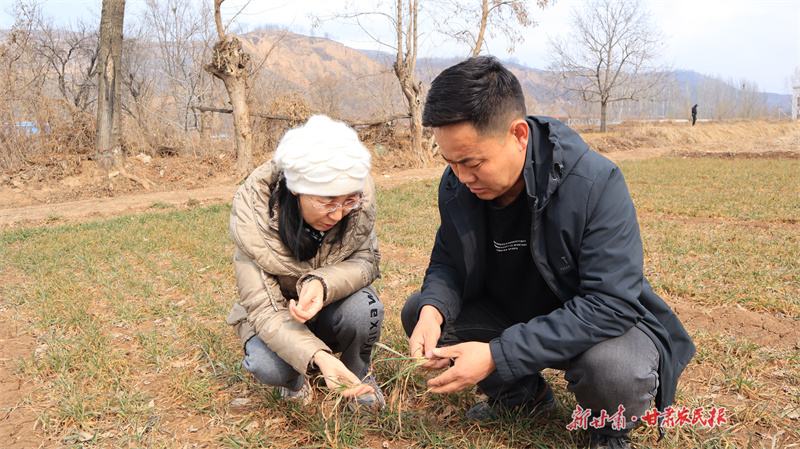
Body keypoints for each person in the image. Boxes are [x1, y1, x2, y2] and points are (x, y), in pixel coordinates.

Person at [402, 57, 695, 449]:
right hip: (511, 315)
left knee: (613, 370)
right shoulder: (458, 184)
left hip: (590, 328)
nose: (461, 176)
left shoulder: (594, 182)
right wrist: (433, 310)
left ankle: (607, 431)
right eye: (450, 163)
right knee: (420, 310)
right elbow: (448, 260)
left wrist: (496, 355)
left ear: (519, 134)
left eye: (472, 162)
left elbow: (610, 304)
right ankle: (525, 398)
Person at [227, 115, 385, 409]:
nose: (337, 214)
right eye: (327, 202)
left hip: (331, 306)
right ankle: (295, 382)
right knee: (268, 366)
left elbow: (367, 260)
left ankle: (359, 373)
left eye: (348, 201)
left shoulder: (358, 206)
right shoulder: (253, 221)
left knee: (366, 308)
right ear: (296, 188)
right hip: (277, 314)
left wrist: (322, 284)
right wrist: (319, 357)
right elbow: (264, 309)